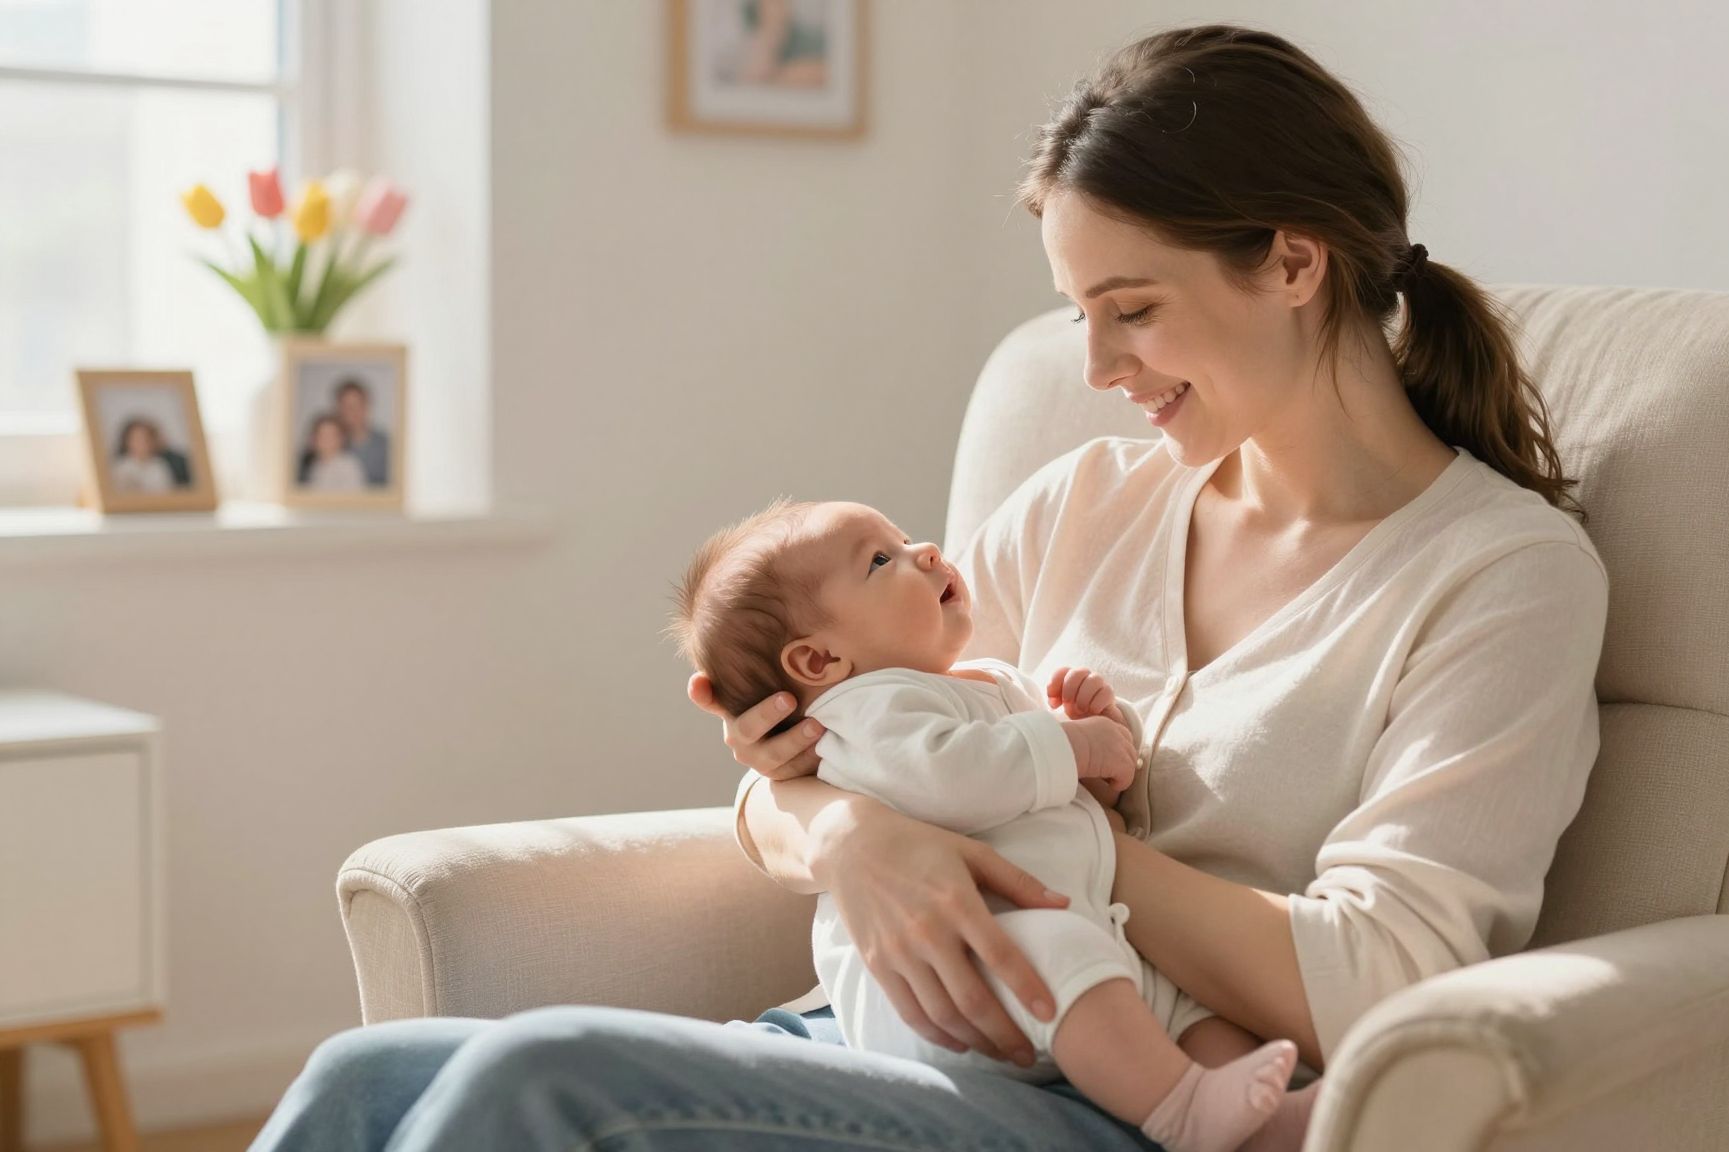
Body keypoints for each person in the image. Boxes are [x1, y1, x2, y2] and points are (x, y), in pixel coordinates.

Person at [251, 24, 1607, 1152]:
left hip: (1117, 1092)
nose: (1096, 367)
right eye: (1079, 313)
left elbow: (1389, 983)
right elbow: (829, 768)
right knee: (359, 1085)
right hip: (872, 1029)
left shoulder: (1497, 578)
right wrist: (846, 833)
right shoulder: (1084, 507)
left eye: (1130, 308)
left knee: (533, 1082)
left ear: (1296, 262)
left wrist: (994, 841)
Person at [671, 497, 1302, 1152]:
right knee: (1066, 960)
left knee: (1189, 1007)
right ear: (819, 663)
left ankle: (1269, 1125)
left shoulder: (981, 681)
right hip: (953, 987)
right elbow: (948, 778)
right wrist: (1071, 747)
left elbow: (1053, 804)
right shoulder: (865, 710)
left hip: (1072, 942)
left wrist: (1101, 748)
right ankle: (1186, 1111)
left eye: (908, 536)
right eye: (881, 560)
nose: (929, 553)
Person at [332, 378, 391, 486]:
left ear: (367, 406)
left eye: (357, 405)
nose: (352, 412)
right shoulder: (330, 445)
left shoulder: (387, 445)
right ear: (338, 410)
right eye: (346, 406)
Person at [298, 414, 369, 491]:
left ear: (341, 439)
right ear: (313, 439)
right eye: (321, 435)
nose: (326, 440)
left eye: (331, 436)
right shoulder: (314, 465)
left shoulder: (349, 467)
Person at [109, 418, 176, 493]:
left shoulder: (160, 465)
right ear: (127, 442)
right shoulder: (120, 467)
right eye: (137, 439)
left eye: (146, 439)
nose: (142, 443)